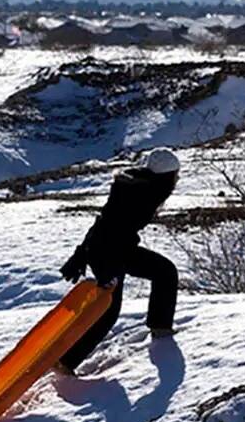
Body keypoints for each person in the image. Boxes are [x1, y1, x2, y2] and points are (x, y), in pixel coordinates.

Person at [56, 147, 181, 375]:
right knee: (108, 312)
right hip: (109, 254)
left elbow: (105, 219)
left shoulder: (139, 185)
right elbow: (107, 224)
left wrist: (84, 251)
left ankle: (160, 328)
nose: (178, 179)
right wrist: (84, 252)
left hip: (118, 249)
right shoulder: (145, 191)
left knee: (164, 271)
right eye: (176, 174)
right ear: (167, 175)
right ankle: (66, 362)